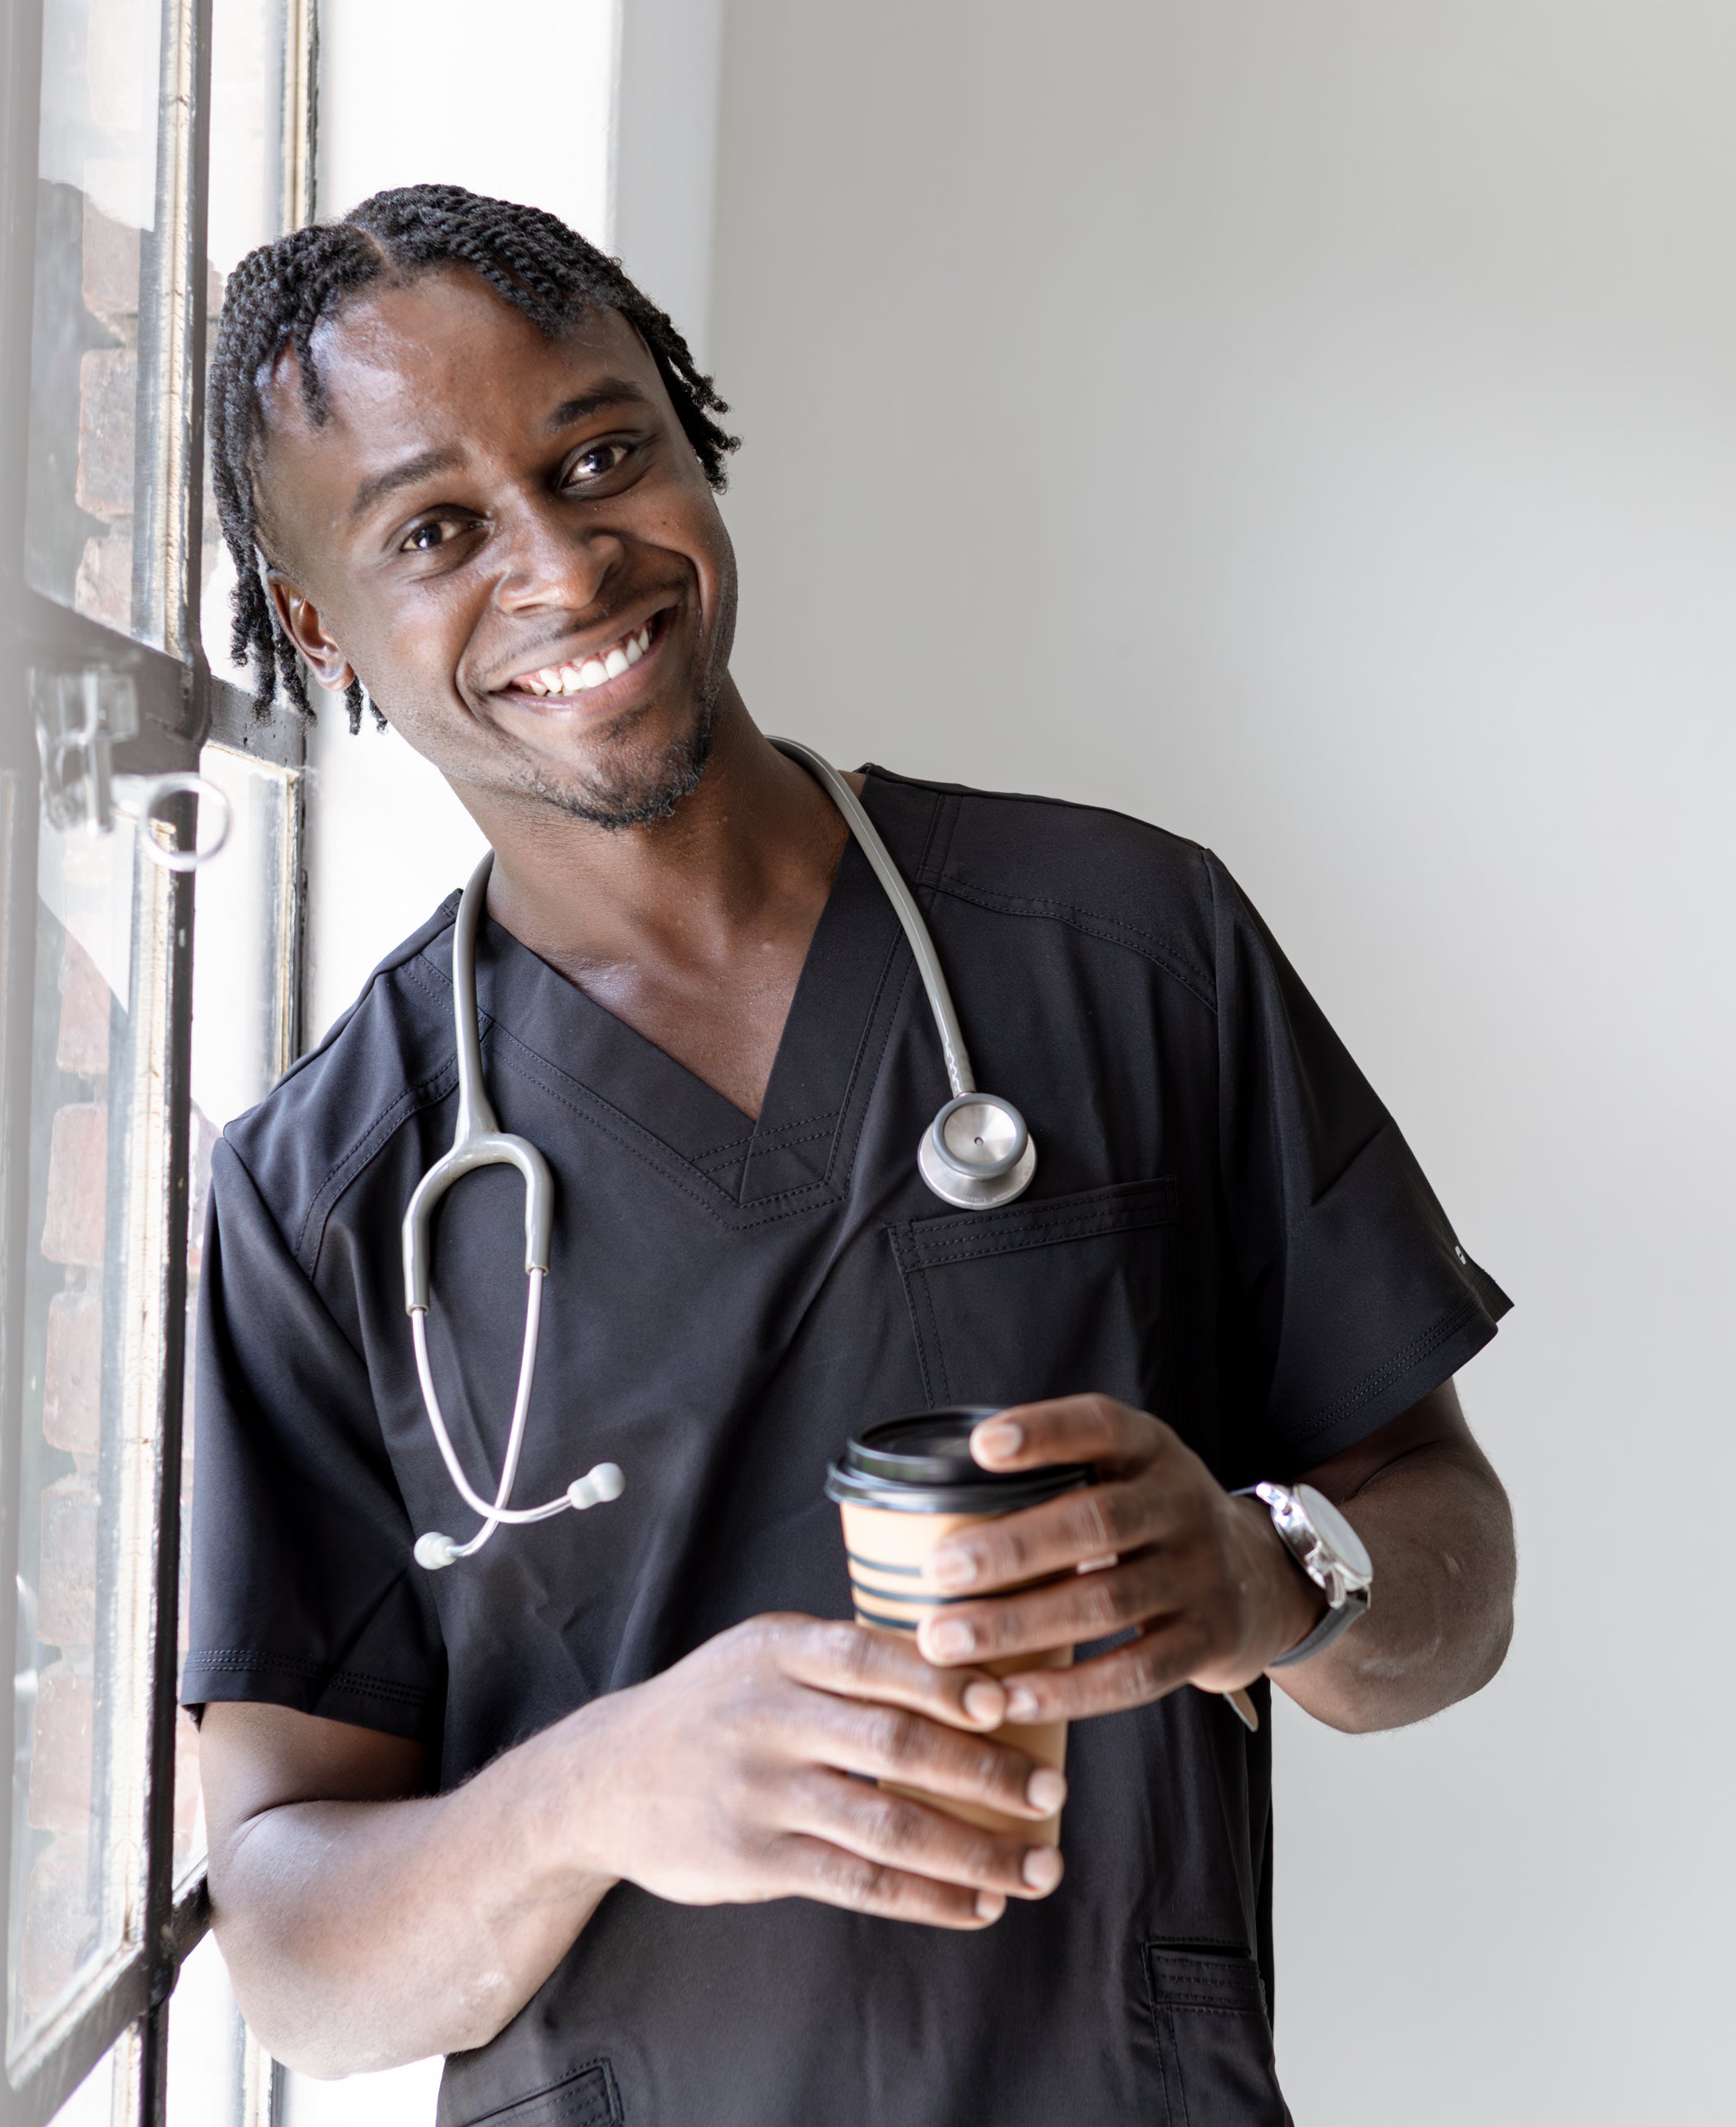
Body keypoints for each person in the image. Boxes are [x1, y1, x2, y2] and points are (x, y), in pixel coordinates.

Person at [185, 184, 1518, 2127]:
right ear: (318, 620)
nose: (563, 562)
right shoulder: (333, 1185)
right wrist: (599, 1790)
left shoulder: (1128, 948)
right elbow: (299, 1955)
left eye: (602, 451)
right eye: (437, 529)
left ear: (693, 441)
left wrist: (1266, 1573)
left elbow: (1453, 1581)